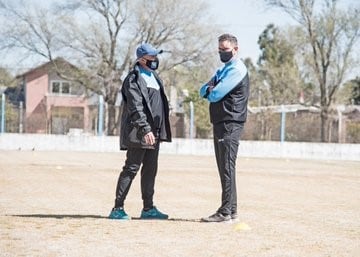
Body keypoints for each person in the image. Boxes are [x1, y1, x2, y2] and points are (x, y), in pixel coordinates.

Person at [109, 43, 172, 220]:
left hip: (156, 132)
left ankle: (148, 208)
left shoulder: (155, 77)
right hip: (140, 132)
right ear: (142, 59)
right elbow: (135, 107)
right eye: (152, 57)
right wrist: (145, 129)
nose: (155, 60)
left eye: (155, 57)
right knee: (131, 168)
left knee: (150, 170)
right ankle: (117, 208)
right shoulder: (133, 79)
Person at [199, 33, 249, 222]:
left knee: (227, 165)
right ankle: (232, 209)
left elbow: (214, 94)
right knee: (224, 166)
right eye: (220, 50)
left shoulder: (237, 69)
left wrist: (211, 89)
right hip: (220, 121)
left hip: (230, 122)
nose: (222, 53)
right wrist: (209, 89)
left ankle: (225, 211)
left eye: (225, 50)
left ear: (235, 49)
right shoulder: (224, 70)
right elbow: (202, 90)